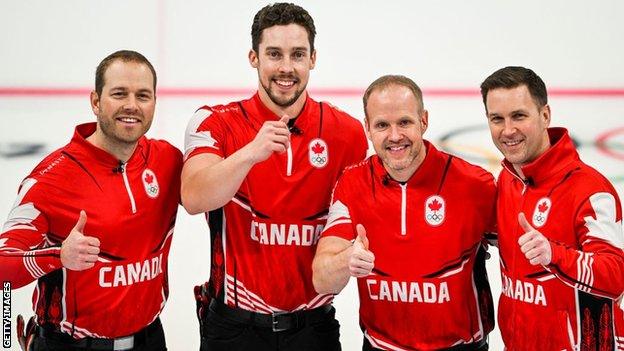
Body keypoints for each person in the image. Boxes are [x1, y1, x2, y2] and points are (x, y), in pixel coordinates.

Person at [181, 3, 368, 351]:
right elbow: (193, 197)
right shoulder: (215, 122)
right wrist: (251, 152)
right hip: (233, 328)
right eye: (274, 54)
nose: (286, 68)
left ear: (313, 58)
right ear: (254, 58)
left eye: (298, 54)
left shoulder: (348, 133)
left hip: (314, 326)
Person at [0, 50, 182, 351]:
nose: (132, 106)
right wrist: (58, 256)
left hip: (150, 340)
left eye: (143, 95)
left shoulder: (167, 160)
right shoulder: (50, 180)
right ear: (95, 101)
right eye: (119, 94)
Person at [312, 75, 496, 351]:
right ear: (368, 129)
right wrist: (346, 260)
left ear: (424, 121)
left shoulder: (474, 184)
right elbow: (320, 278)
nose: (395, 136)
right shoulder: (352, 183)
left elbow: (518, 257)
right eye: (382, 125)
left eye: (404, 122)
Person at [480, 66, 624, 350]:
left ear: (545, 115)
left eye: (519, 116)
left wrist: (554, 254)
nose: (508, 130)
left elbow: (616, 275)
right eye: (497, 119)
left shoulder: (589, 189)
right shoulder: (507, 179)